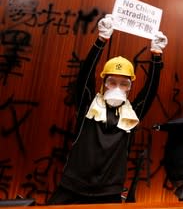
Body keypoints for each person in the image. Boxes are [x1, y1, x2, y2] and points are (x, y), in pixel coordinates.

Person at [47, 14, 167, 204]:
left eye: (124, 84)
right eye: (112, 82)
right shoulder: (88, 106)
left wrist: (156, 56)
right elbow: (84, 77)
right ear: (103, 83)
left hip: (109, 193)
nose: (118, 88)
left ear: (130, 87)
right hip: (72, 188)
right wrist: (101, 41)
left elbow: (149, 92)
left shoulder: (131, 115)